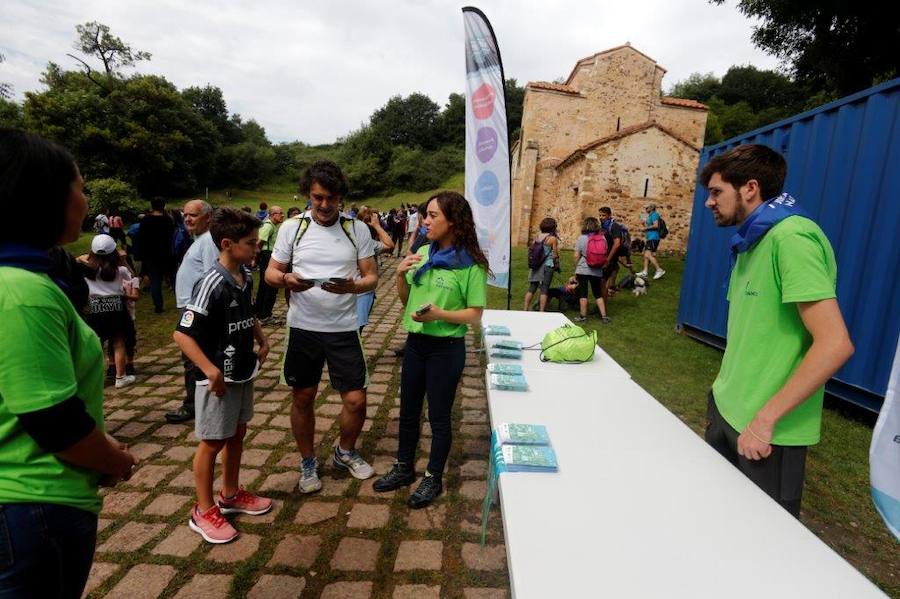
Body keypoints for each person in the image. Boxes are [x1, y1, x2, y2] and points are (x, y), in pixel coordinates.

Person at [0, 129, 137, 597]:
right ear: (47, 196)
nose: (85, 199)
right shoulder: (23, 293)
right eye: (80, 186)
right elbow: (54, 421)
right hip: (32, 505)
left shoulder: (26, 278)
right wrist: (113, 458)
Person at [700, 144, 854, 517]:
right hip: (726, 408)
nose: (708, 202)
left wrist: (764, 420)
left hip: (764, 431)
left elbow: (835, 344)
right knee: (713, 522)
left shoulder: (792, 238)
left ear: (749, 188)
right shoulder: (752, 240)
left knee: (759, 550)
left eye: (716, 191)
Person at [264, 160, 378, 493]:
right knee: (303, 397)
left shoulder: (356, 229)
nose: (324, 205)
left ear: (341, 197)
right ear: (308, 196)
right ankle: (308, 462)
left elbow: (371, 277)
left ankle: (344, 452)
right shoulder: (291, 228)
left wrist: (353, 287)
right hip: (303, 328)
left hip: (344, 327)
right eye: (317, 198)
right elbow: (271, 273)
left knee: (356, 399)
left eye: (331, 198)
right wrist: (287, 279)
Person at [373, 191, 488, 508]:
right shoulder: (422, 253)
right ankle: (403, 467)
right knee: (408, 411)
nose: (425, 221)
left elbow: (474, 315)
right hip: (416, 345)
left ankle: (432, 477)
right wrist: (399, 275)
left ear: (453, 222)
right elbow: (406, 299)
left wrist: (440, 315)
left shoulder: (471, 266)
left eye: (433, 215)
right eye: (426, 215)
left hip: (446, 349)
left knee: (439, 417)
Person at [174, 207, 272, 543]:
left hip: (243, 372)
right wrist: (209, 370)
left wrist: (261, 338)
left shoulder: (244, 277)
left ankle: (230, 494)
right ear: (227, 244)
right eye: (251, 243)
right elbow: (182, 334)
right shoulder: (210, 283)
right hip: (217, 380)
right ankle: (202, 510)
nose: (257, 248)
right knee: (212, 441)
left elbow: (249, 313)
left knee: (237, 433)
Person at [167, 199, 218, 424]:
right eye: (185, 214)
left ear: (208, 217)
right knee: (193, 357)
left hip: (196, 309)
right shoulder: (200, 239)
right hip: (191, 307)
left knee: (192, 357)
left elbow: (212, 275)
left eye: (193, 215)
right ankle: (198, 400)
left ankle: (193, 405)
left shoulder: (208, 241)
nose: (187, 219)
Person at [79, 234, 139, 389]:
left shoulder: (85, 270)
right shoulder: (121, 270)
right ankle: (120, 377)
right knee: (118, 343)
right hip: (116, 307)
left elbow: (78, 258)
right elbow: (133, 278)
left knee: (95, 345)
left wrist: (84, 258)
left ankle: (93, 378)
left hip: (95, 308)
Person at [355, 207, 395, 332]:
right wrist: (377, 226)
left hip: (358, 292)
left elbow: (389, 246)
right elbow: (389, 245)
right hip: (360, 292)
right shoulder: (366, 241)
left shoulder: (366, 241)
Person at [136, 197, 175, 313]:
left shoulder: (145, 220)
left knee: (155, 281)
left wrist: (142, 255)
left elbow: (141, 238)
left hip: (151, 255)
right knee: (173, 278)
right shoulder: (168, 219)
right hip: (166, 253)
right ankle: (181, 301)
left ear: (152, 206)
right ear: (163, 206)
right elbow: (172, 236)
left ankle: (158, 306)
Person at [572, 216, 610, 324]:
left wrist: (576, 269)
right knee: (597, 293)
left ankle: (583, 316)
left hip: (583, 269)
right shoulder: (602, 238)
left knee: (583, 293)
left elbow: (576, 256)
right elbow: (605, 253)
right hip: (597, 269)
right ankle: (604, 316)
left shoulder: (581, 238)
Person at [255, 205, 285, 323]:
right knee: (270, 286)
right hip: (267, 256)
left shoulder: (272, 225)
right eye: (280, 213)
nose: (283, 215)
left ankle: (260, 313)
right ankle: (265, 315)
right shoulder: (268, 226)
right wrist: (255, 259)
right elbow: (259, 243)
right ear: (272, 215)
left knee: (264, 286)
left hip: (268, 255)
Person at [523, 217, 559, 312]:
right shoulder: (552, 239)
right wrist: (557, 263)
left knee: (532, 287)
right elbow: (555, 254)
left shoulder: (537, 237)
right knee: (544, 289)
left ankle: (525, 309)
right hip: (548, 265)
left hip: (536, 265)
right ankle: (541, 311)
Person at [598, 206, 629, 300]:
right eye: (600, 215)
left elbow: (617, 244)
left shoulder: (614, 226)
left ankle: (603, 302)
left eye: (603, 215)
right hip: (606, 256)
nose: (601, 217)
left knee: (603, 282)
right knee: (614, 270)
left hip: (610, 257)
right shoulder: (603, 226)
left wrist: (608, 259)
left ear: (609, 215)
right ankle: (611, 290)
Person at [637, 203, 665, 280]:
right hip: (650, 237)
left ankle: (659, 270)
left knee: (648, 255)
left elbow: (656, 225)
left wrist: (645, 228)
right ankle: (645, 272)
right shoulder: (649, 215)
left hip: (654, 237)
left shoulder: (654, 214)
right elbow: (648, 227)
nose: (645, 209)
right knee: (646, 255)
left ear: (652, 208)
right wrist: (644, 225)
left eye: (647, 207)